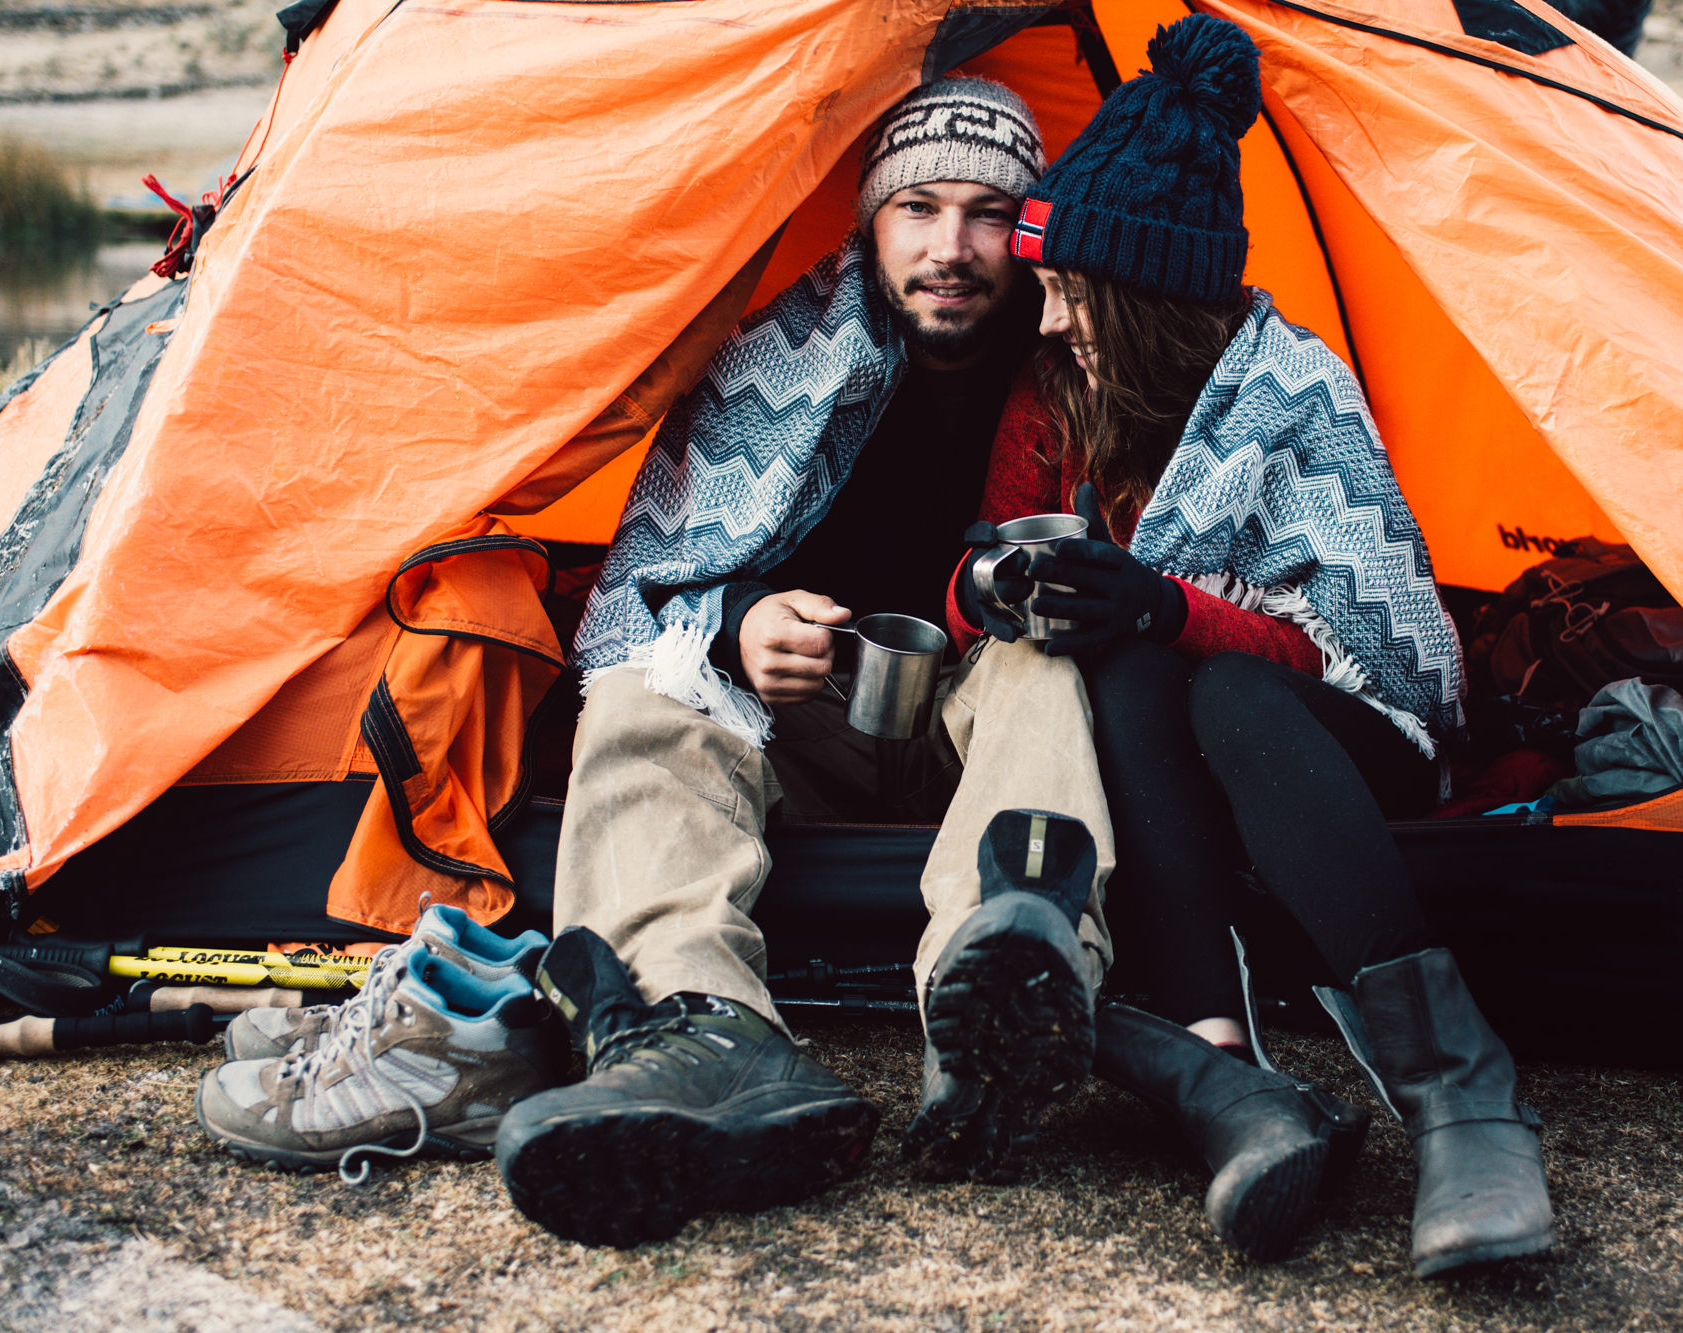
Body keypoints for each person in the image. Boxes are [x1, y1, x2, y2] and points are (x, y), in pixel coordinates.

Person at [946, 16, 1555, 1277]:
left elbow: (1359, 651)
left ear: (1139, 292)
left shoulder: (1295, 394)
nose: (1046, 318)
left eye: (1066, 290)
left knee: (1213, 679)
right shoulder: (1055, 399)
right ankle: (1218, 1057)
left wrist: (1165, 607)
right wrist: (1009, 583)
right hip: (1167, 745)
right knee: (1119, 659)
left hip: (1333, 731)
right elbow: (968, 578)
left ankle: (1456, 1090)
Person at [488, 77, 1125, 1248]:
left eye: (989, 213)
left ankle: (1003, 1003)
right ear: (870, 223)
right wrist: (738, 621)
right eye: (918, 209)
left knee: (1044, 671)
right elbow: (654, 581)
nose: (951, 247)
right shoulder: (780, 355)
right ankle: (699, 1029)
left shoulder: (1087, 356)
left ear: (1028, 229)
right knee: (648, 685)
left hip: (980, 730)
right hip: (811, 724)